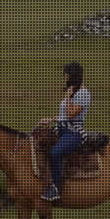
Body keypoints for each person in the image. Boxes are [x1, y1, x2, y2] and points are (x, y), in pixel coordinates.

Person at [43, 61, 91, 201]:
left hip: (74, 132)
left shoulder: (83, 93)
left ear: (72, 77)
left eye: (66, 75)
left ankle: (56, 188)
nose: (65, 78)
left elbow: (71, 115)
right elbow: (64, 116)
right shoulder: (74, 92)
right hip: (61, 128)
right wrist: (51, 119)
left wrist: (68, 97)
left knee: (55, 152)